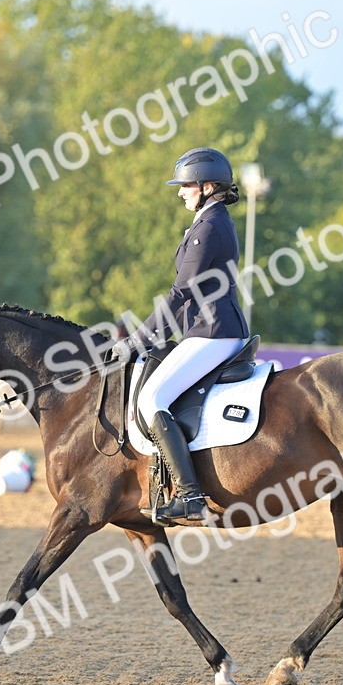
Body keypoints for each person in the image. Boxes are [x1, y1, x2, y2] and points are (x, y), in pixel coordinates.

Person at [117, 147, 250, 525]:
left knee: (152, 398)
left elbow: (181, 293)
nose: (180, 191)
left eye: (187, 184)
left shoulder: (209, 225)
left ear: (209, 186)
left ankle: (190, 497)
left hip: (212, 333)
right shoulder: (210, 221)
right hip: (207, 329)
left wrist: (137, 340)